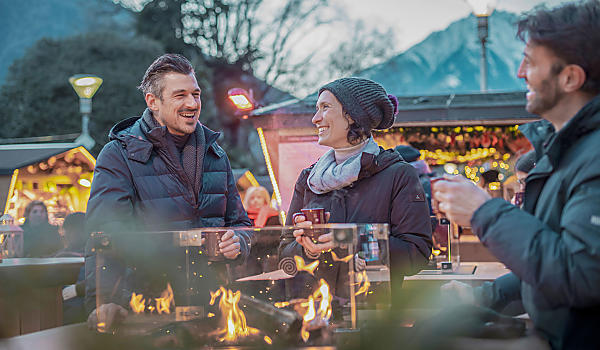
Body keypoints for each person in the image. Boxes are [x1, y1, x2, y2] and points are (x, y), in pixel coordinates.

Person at [434, 2, 600, 348]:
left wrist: (483, 211)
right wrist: (486, 295)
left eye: (531, 61)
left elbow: (581, 274)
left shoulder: (593, 156)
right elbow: (552, 253)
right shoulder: (568, 151)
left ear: (570, 77)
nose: (520, 71)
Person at [84, 53, 252, 331]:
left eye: (196, 94)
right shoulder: (119, 155)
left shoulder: (215, 154)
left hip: (214, 309)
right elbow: (104, 238)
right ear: (153, 102)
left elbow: (241, 224)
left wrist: (239, 242)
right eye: (180, 95)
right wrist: (105, 301)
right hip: (148, 311)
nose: (192, 104)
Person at [280, 77, 433, 299]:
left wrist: (353, 240)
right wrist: (304, 248)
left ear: (352, 116)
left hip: (372, 316)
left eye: (325, 107)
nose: (315, 118)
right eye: (316, 109)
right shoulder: (309, 179)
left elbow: (416, 254)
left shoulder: (397, 175)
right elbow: (282, 251)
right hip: (313, 313)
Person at [54, 212, 87, 324]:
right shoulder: (67, 252)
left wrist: (74, 290)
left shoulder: (91, 254)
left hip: (75, 309)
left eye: (67, 230)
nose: (65, 235)